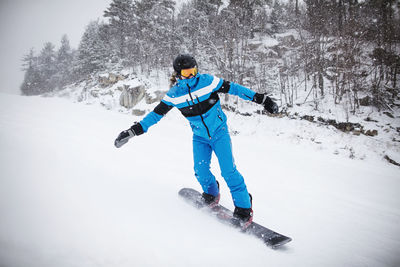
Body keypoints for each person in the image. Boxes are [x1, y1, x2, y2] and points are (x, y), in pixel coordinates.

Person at [114, 54, 278, 229]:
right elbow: (155, 115)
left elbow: (234, 89)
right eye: (186, 73)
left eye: (193, 71)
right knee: (200, 169)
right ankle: (211, 194)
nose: (192, 75)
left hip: (219, 132)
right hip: (199, 136)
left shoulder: (208, 81)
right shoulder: (174, 95)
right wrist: (133, 131)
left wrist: (262, 99)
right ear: (178, 74)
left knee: (228, 171)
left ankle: (244, 209)